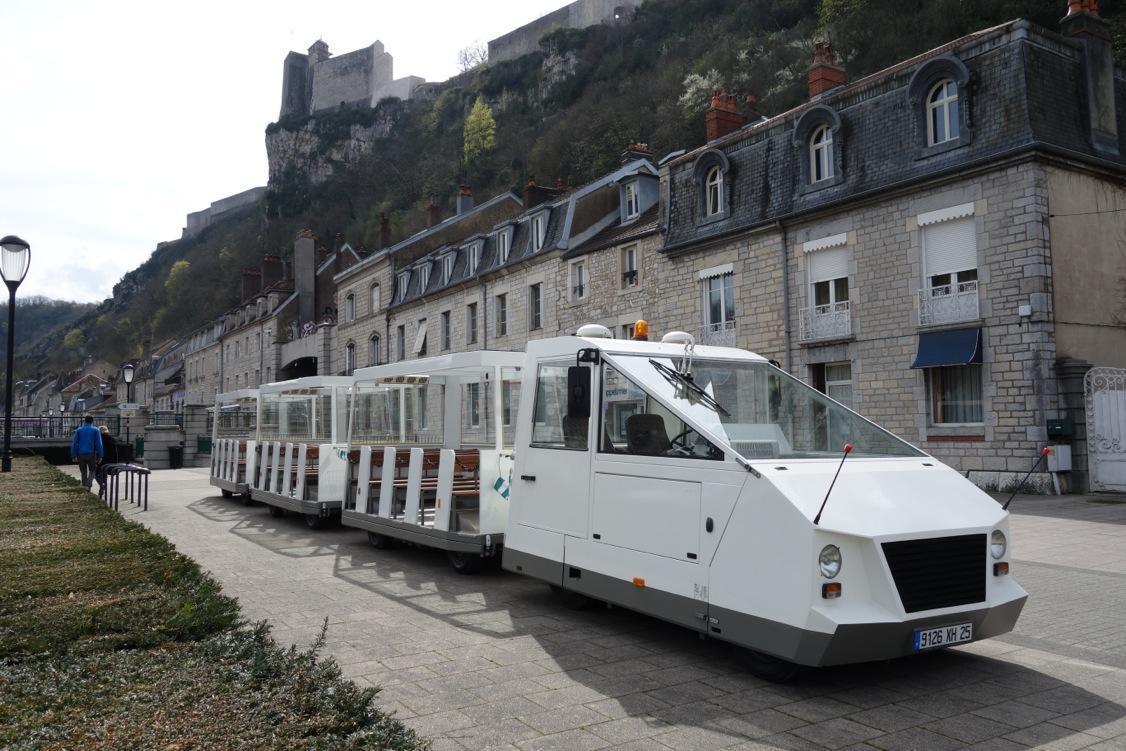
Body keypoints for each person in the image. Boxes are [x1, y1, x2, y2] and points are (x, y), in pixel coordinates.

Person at [70, 414, 103, 490]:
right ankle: (88, 484)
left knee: (83, 472)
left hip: (80, 454)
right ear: (92, 421)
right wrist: (100, 455)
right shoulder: (96, 430)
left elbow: (75, 443)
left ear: (84, 421)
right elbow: (99, 444)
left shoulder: (79, 430)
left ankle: (85, 487)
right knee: (92, 470)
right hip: (92, 453)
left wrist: (73, 455)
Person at [96, 425, 118, 497]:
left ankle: (101, 485)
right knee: (105, 475)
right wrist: (115, 462)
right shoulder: (112, 439)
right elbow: (115, 452)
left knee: (96, 474)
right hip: (110, 460)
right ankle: (103, 485)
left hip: (102, 459)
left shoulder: (99, 439)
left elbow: (98, 449)